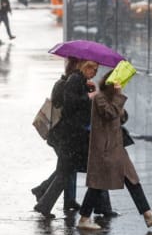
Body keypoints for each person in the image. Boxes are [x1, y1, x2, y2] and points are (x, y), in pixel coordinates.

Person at [77, 71, 152, 230]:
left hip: (116, 148)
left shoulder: (112, 99)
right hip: (105, 149)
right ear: (111, 83)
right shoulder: (99, 98)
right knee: (98, 184)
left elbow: (122, 119)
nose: (121, 86)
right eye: (118, 83)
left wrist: (118, 101)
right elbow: (109, 113)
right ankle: (84, 218)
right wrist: (118, 98)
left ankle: (148, 215)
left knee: (132, 179)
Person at [34, 60, 114, 218]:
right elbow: (71, 105)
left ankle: (44, 203)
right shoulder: (74, 80)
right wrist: (89, 95)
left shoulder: (79, 80)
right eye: (93, 69)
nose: (95, 73)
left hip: (74, 136)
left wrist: (88, 90)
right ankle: (101, 207)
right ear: (86, 67)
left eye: (97, 70)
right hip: (72, 136)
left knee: (67, 172)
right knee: (90, 169)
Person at [31, 57, 81, 211]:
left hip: (60, 134)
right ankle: (43, 190)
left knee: (68, 167)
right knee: (66, 167)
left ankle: (69, 200)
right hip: (59, 134)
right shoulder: (64, 85)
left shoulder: (65, 83)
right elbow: (67, 108)